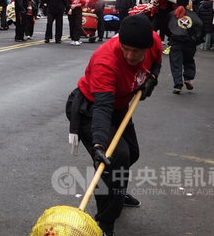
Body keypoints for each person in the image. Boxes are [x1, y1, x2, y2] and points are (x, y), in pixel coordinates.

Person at [65, 13, 162, 235]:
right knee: (112, 160)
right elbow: (102, 107)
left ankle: (116, 193)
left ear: (147, 46)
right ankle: (106, 221)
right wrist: (98, 144)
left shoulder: (154, 41)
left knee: (132, 154)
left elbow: (156, 62)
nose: (129, 55)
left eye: (135, 51)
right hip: (90, 108)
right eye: (125, 48)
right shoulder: (105, 60)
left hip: (119, 107)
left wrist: (152, 79)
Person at [167, 0, 204, 94]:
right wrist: (196, 39)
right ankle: (188, 78)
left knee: (176, 63)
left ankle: (178, 85)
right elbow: (200, 26)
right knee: (189, 61)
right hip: (190, 43)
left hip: (175, 42)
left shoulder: (172, 14)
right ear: (188, 3)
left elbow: (167, 28)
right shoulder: (193, 15)